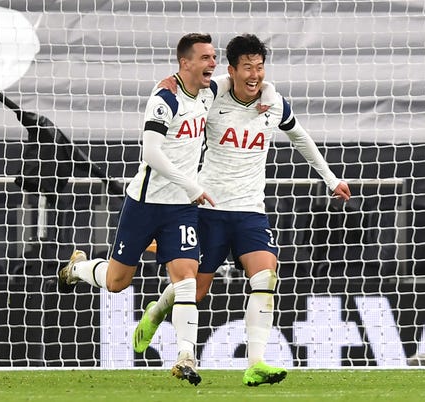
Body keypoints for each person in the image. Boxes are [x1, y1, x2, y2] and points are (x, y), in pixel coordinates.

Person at [132, 34, 351, 386]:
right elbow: (180, 87)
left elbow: (301, 138)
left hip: (251, 210)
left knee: (266, 275)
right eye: (247, 67)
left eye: (260, 68)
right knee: (195, 291)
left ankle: (256, 362)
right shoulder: (213, 93)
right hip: (210, 208)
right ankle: (157, 311)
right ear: (231, 70)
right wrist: (166, 84)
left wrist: (330, 178)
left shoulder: (274, 101)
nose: (255, 75)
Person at [56, 33, 221, 386]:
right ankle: (77, 268)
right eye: (206, 57)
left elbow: (242, 85)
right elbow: (151, 153)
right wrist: (192, 183)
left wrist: (263, 94)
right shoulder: (165, 97)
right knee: (117, 282)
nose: (213, 63)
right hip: (144, 204)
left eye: (214, 57)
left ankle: (186, 355)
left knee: (187, 279)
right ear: (185, 62)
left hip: (181, 209)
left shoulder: (209, 91)